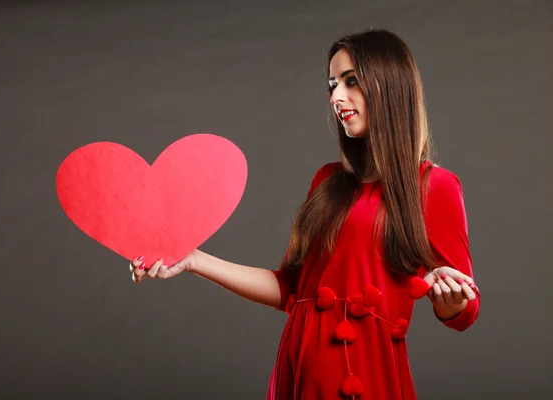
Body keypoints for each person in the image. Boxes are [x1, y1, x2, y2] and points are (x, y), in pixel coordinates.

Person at [129, 28, 481, 400]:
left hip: (366, 377)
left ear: (390, 85)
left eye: (351, 82)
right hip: (296, 373)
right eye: (332, 85)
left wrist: (452, 300)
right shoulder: (327, 182)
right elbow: (292, 291)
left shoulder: (434, 186)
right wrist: (194, 260)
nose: (337, 97)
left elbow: (465, 309)